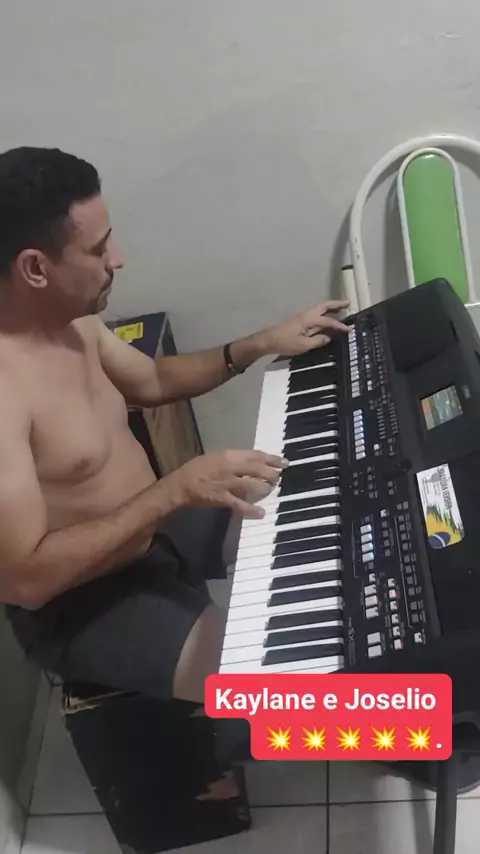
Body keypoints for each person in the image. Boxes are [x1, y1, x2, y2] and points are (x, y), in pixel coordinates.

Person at [0, 146, 350, 706]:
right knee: (283, 692)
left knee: (331, 508)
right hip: (84, 600)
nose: (117, 259)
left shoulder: (72, 320)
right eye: (98, 249)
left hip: (153, 523)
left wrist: (259, 344)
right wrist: (175, 492)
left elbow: (152, 380)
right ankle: (427, 736)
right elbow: (26, 580)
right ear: (35, 268)